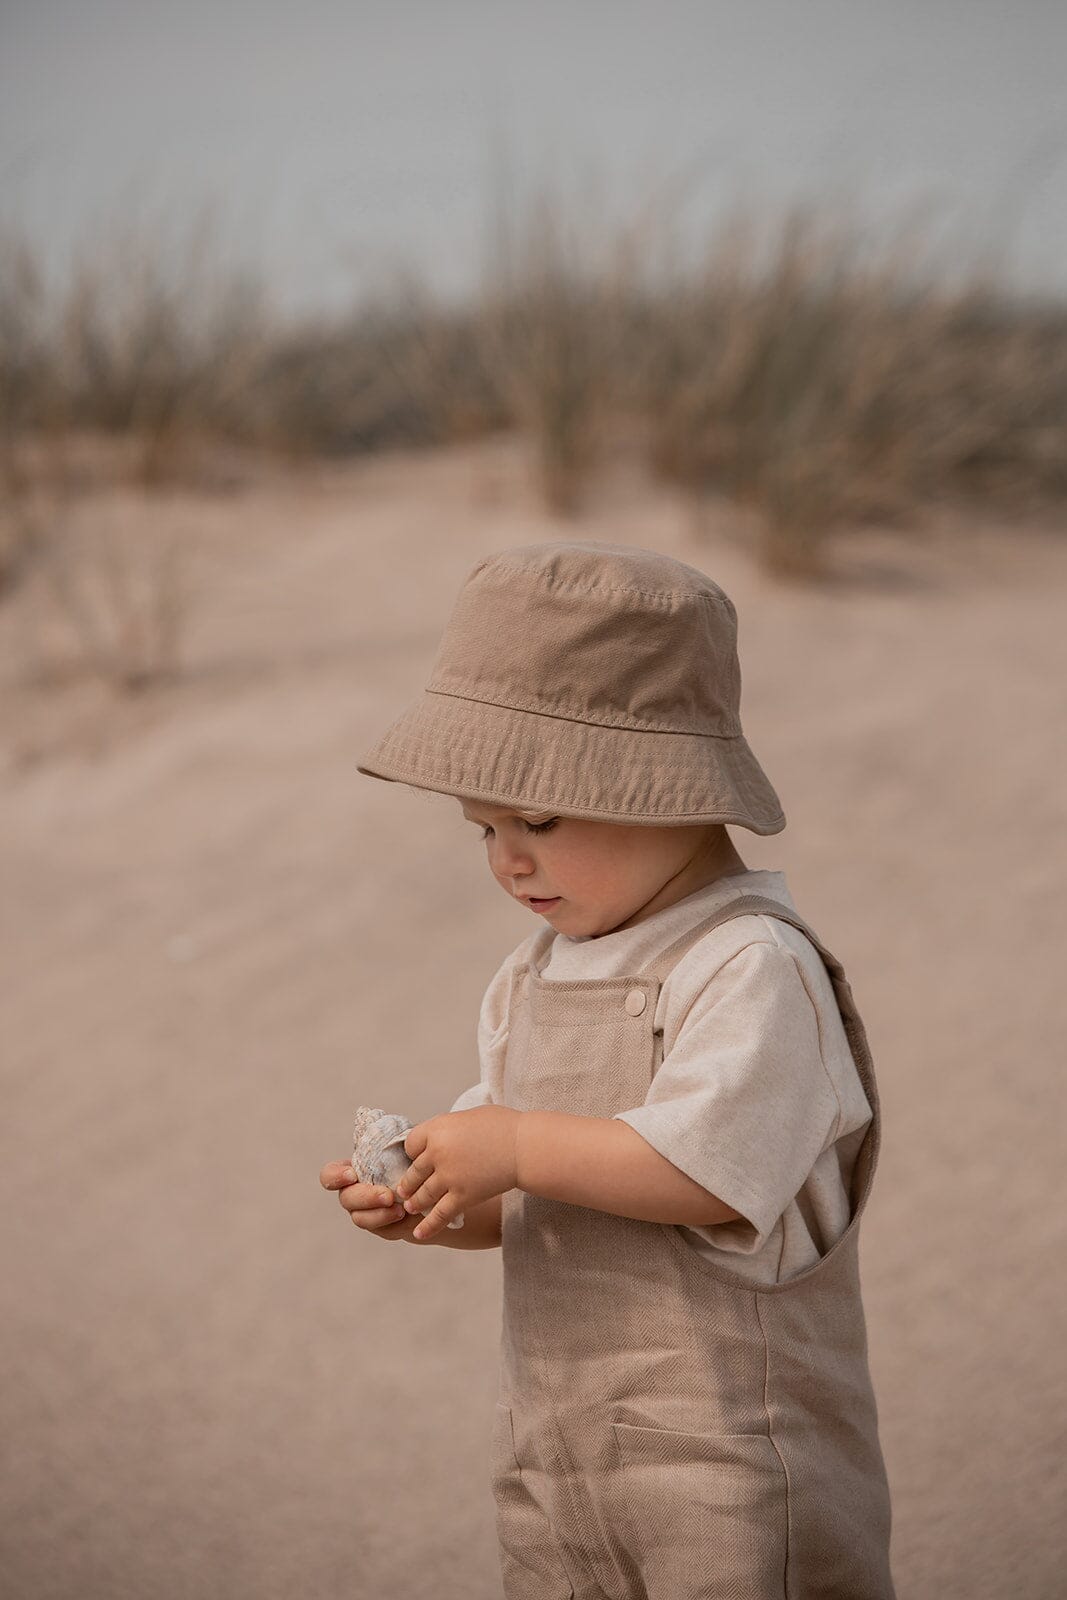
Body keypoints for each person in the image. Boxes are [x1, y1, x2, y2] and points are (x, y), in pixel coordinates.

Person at [319, 540, 896, 1600]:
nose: (507, 858)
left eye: (536, 818)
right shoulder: (534, 971)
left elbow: (708, 1173)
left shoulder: (748, 963)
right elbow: (534, 1201)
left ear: (667, 786)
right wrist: (442, 1196)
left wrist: (514, 1142)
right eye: (481, 828)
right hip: (561, 1440)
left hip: (728, 1453)